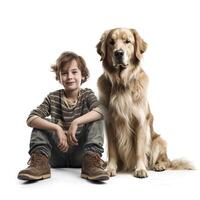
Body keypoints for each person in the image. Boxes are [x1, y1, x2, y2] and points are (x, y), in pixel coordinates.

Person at [18, 51, 109, 181]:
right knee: (40, 123)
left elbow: (101, 110)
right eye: (64, 73)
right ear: (59, 77)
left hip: (81, 154)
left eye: (74, 72)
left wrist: (76, 122)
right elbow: (31, 118)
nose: (69, 76)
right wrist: (57, 128)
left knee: (97, 118)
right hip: (55, 155)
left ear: (83, 75)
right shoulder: (53, 97)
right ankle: (39, 164)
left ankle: (91, 163)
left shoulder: (87, 95)